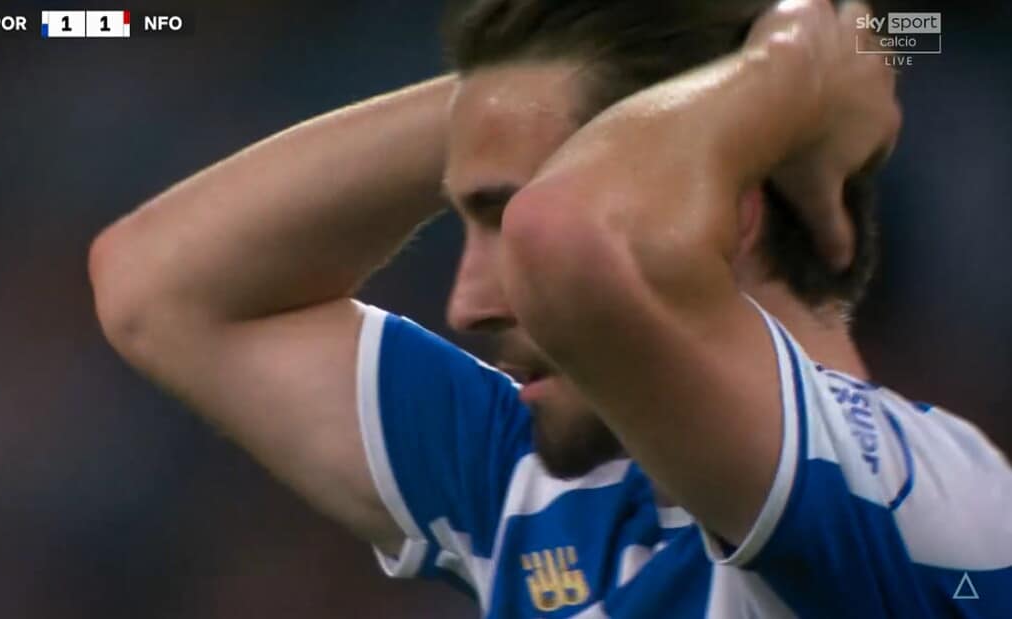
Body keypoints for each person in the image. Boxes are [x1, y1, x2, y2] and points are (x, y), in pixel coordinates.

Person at [88, 0, 1012, 616]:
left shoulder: (920, 503)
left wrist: (790, 67)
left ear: (722, 219)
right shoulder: (533, 487)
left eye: (507, 219)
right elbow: (159, 285)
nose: (465, 302)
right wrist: (533, 91)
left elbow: (570, 236)